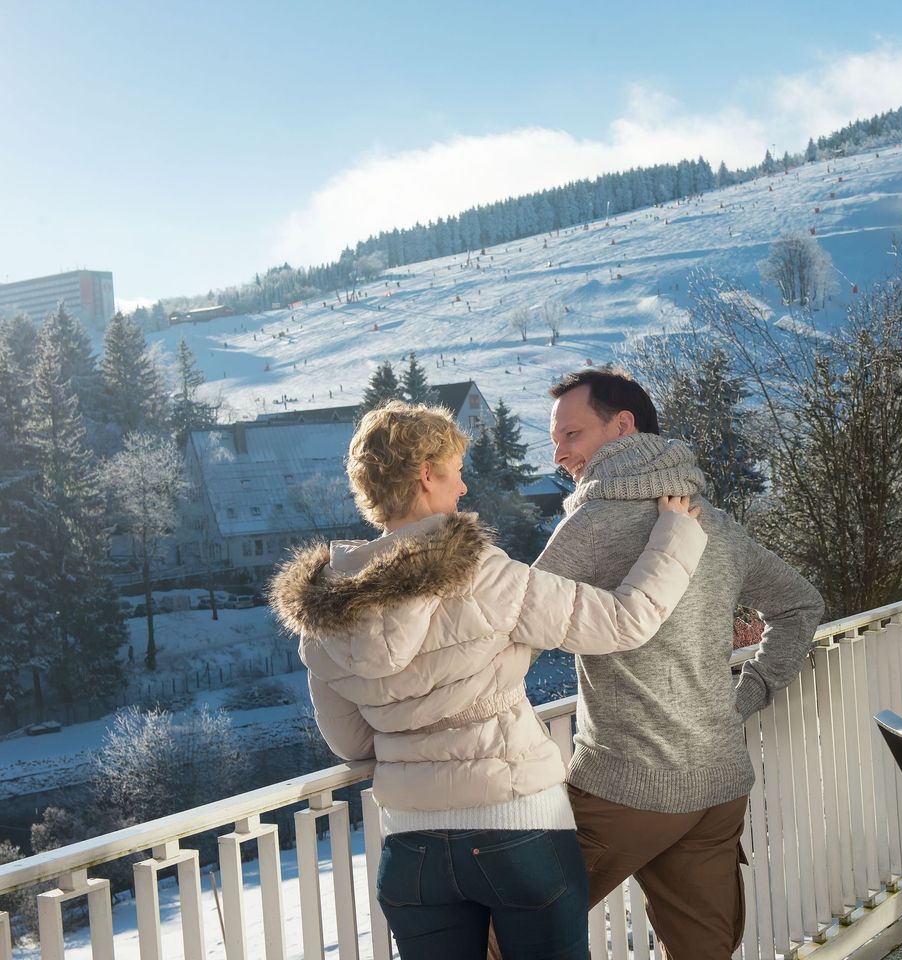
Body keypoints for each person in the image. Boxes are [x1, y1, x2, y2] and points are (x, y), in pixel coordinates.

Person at [269, 400, 706, 960]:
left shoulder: (325, 611)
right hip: (518, 830)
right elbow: (625, 620)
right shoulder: (484, 574)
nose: (464, 488)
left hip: (412, 851)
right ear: (426, 475)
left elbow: (351, 744)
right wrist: (677, 533)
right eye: (455, 472)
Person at [533, 369, 825, 959]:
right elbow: (801, 604)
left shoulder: (590, 524)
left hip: (624, 791)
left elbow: (515, 632)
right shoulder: (712, 521)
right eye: (556, 439)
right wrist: (747, 693)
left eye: (572, 434)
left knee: (509, 931)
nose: (560, 453)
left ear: (623, 426)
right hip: (715, 789)